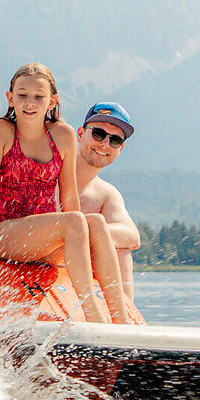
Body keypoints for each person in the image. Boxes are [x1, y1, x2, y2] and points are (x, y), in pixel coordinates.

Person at [0, 63, 133, 324]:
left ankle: (122, 322)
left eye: (38, 97)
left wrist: (80, 236)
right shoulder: (1, 131)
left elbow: (69, 198)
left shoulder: (63, 135)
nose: (29, 103)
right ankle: (94, 318)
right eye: (22, 95)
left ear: (52, 101)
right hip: (6, 235)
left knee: (97, 223)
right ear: (10, 98)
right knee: (76, 221)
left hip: (45, 240)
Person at [74, 102, 140, 307]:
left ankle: (124, 320)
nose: (105, 144)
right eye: (99, 134)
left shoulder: (106, 194)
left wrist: (82, 232)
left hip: (71, 273)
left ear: (121, 148)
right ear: (80, 134)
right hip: (29, 265)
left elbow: (132, 236)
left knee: (122, 250)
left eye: (115, 140)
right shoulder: (48, 172)